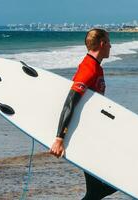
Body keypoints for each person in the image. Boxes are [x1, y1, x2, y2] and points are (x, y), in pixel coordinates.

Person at [49, 28, 117, 200]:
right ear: (102, 44)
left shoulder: (96, 67)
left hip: (92, 133)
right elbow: (70, 102)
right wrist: (59, 139)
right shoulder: (89, 69)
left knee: (99, 191)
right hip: (84, 134)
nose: (110, 45)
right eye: (108, 42)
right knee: (98, 192)